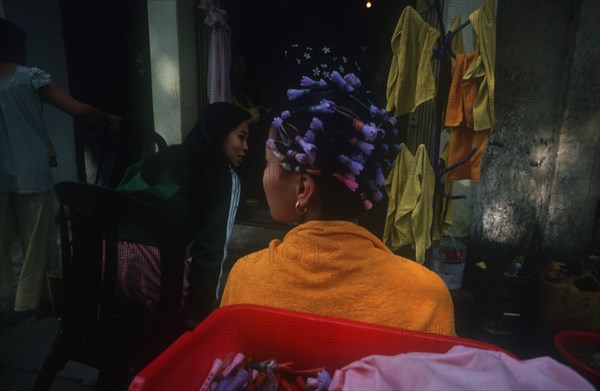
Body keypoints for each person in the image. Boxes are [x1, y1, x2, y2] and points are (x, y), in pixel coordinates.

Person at [220, 72, 456, 335]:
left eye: (268, 164)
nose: (264, 175)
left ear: (302, 188)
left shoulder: (247, 280)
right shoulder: (427, 295)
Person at [0, 18, 121, 314]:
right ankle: (30, 302)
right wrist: (108, 118)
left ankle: (7, 295)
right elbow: (78, 110)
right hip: (31, 171)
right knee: (37, 243)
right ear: (15, 46)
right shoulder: (30, 77)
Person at [116, 102, 251, 322]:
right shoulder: (223, 174)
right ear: (220, 133)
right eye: (241, 136)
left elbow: (120, 191)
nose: (246, 147)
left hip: (102, 257)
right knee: (180, 318)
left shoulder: (162, 158)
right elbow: (211, 248)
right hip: (149, 265)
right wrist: (200, 314)